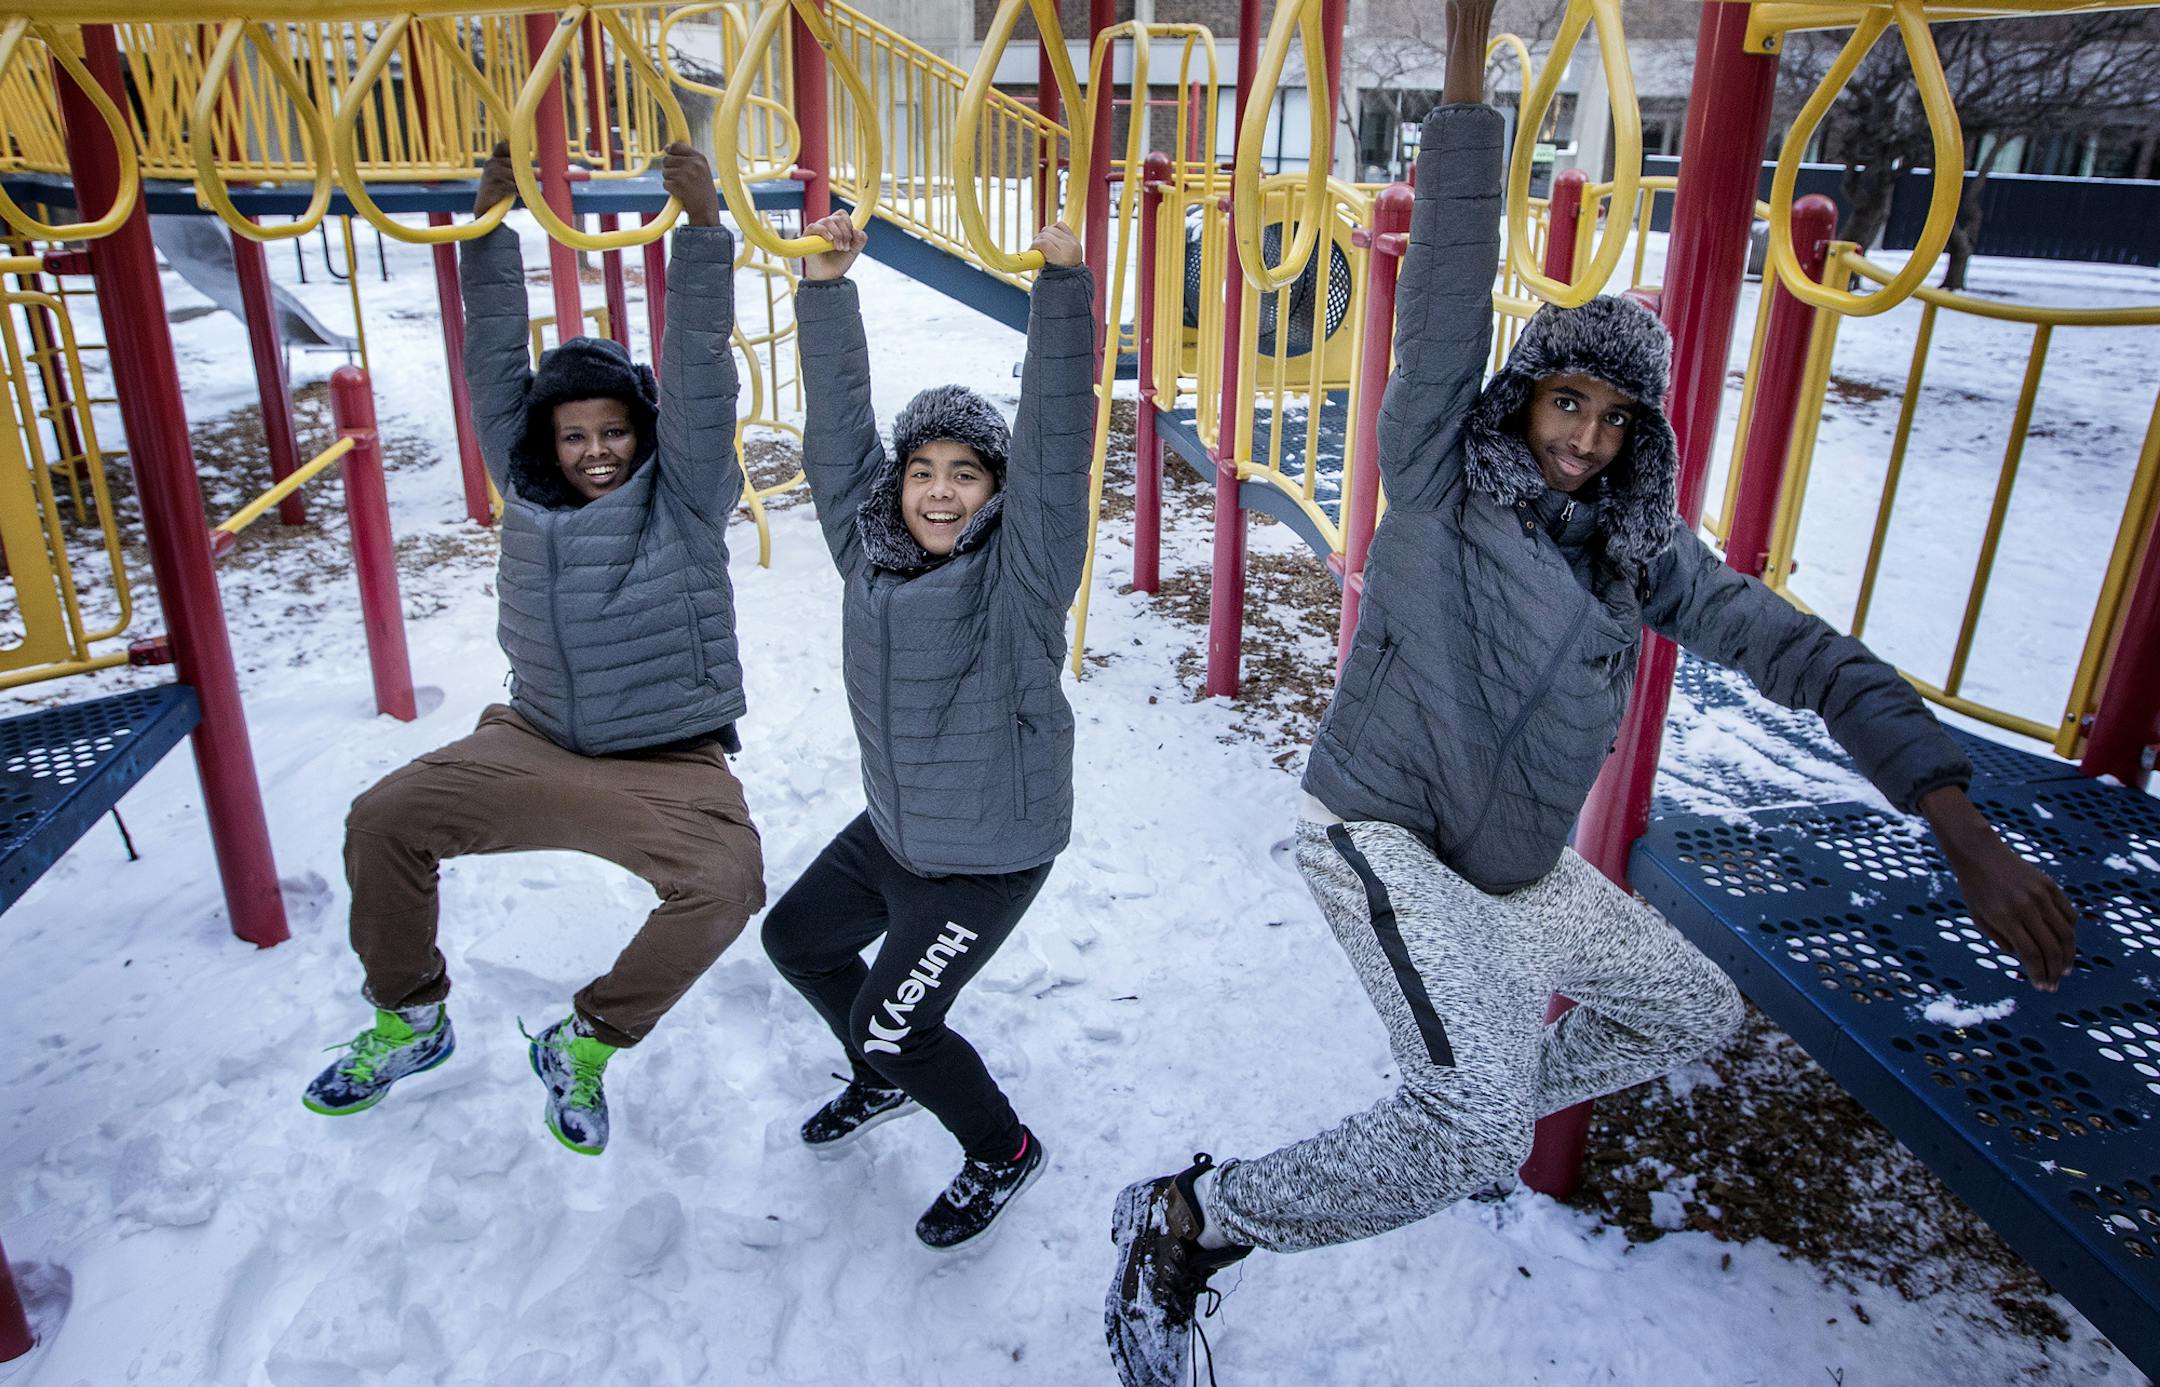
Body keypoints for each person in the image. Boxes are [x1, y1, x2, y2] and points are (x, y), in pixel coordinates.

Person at [1103, 1, 2080, 1377]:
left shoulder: (1643, 556)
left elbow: (1808, 655)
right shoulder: (1439, 477)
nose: (1586, 438)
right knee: (1478, 1122)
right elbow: (1442, 289)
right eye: (1570, 403)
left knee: (1690, 1010)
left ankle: (1456, 1107)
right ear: (1524, 396)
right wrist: (1459, 90)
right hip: (1376, 829)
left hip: (1509, 871)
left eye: (1617, 420)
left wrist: (1953, 812)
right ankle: (1198, 1216)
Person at [302, 143, 765, 1158]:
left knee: (727, 883)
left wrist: (700, 234)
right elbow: (492, 361)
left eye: (614, 431)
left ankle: (588, 1039)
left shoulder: (684, 499)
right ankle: (410, 1019)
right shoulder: (527, 498)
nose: (595, 449)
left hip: (669, 762)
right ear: (542, 448)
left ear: (642, 435)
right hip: (537, 741)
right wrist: (486, 224)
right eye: (572, 436)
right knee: (384, 819)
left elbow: (695, 381)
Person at [760, 212, 1093, 1249]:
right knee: (797, 939)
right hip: (899, 833)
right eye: (923, 470)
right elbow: (835, 439)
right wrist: (823, 290)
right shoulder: (869, 558)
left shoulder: (1020, 581)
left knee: (896, 1021)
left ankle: (1003, 1149)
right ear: (897, 485)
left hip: (986, 857)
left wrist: (1064, 293)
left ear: (995, 493)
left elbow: (1056, 446)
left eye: (967, 473)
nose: (940, 490)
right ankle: (884, 1077)